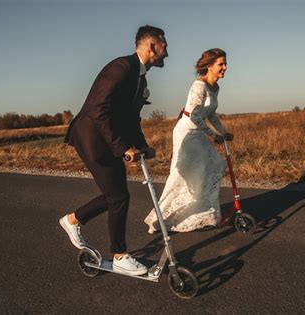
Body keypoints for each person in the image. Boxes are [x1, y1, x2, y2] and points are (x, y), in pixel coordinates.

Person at [59, 25, 168, 276]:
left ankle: (73, 220)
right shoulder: (121, 68)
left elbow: (132, 119)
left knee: (117, 194)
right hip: (92, 139)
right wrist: (122, 148)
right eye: (165, 46)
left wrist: (141, 146)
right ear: (151, 46)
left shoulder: (140, 78)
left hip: (110, 139)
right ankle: (119, 256)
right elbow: (99, 110)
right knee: (118, 196)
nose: (167, 53)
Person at [144, 48, 233, 233]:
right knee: (181, 176)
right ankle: (160, 219)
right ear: (209, 66)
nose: (225, 67)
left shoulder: (215, 87)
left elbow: (210, 114)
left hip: (198, 133)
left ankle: (204, 213)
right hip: (187, 133)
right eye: (221, 64)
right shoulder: (199, 86)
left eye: (225, 63)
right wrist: (214, 136)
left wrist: (224, 132)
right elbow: (194, 116)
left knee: (214, 165)